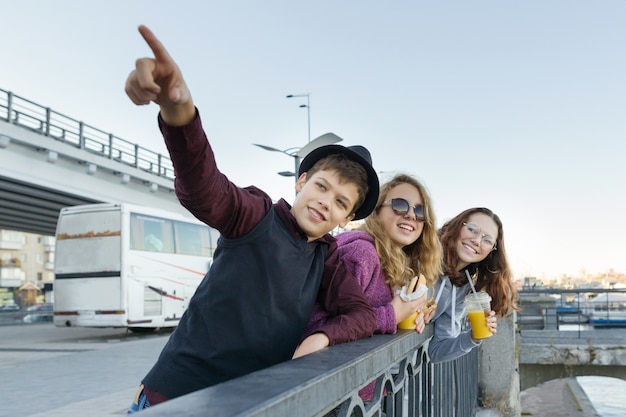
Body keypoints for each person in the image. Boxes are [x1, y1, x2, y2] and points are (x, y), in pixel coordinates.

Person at [124, 25, 380, 411]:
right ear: (302, 181)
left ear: (346, 219)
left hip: (251, 403)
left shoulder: (326, 258)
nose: (327, 203)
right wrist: (179, 112)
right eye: (322, 187)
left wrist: (323, 338)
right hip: (180, 397)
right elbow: (203, 188)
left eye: (341, 203)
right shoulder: (256, 216)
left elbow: (360, 314)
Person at [297, 174, 443, 401]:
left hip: (357, 395)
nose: (412, 215)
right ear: (376, 211)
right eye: (400, 205)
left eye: (420, 211)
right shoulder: (361, 254)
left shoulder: (391, 261)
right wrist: (391, 315)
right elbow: (320, 326)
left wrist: (415, 314)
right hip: (334, 397)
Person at [427, 207, 519, 363]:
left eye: (487, 240)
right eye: (472, 229)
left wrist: (473, 337)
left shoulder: (462, 286)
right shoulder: (423, 254)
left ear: (491, 251)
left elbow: (436, 351)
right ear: (457, 226)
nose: (477, 241)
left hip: (396, 377)